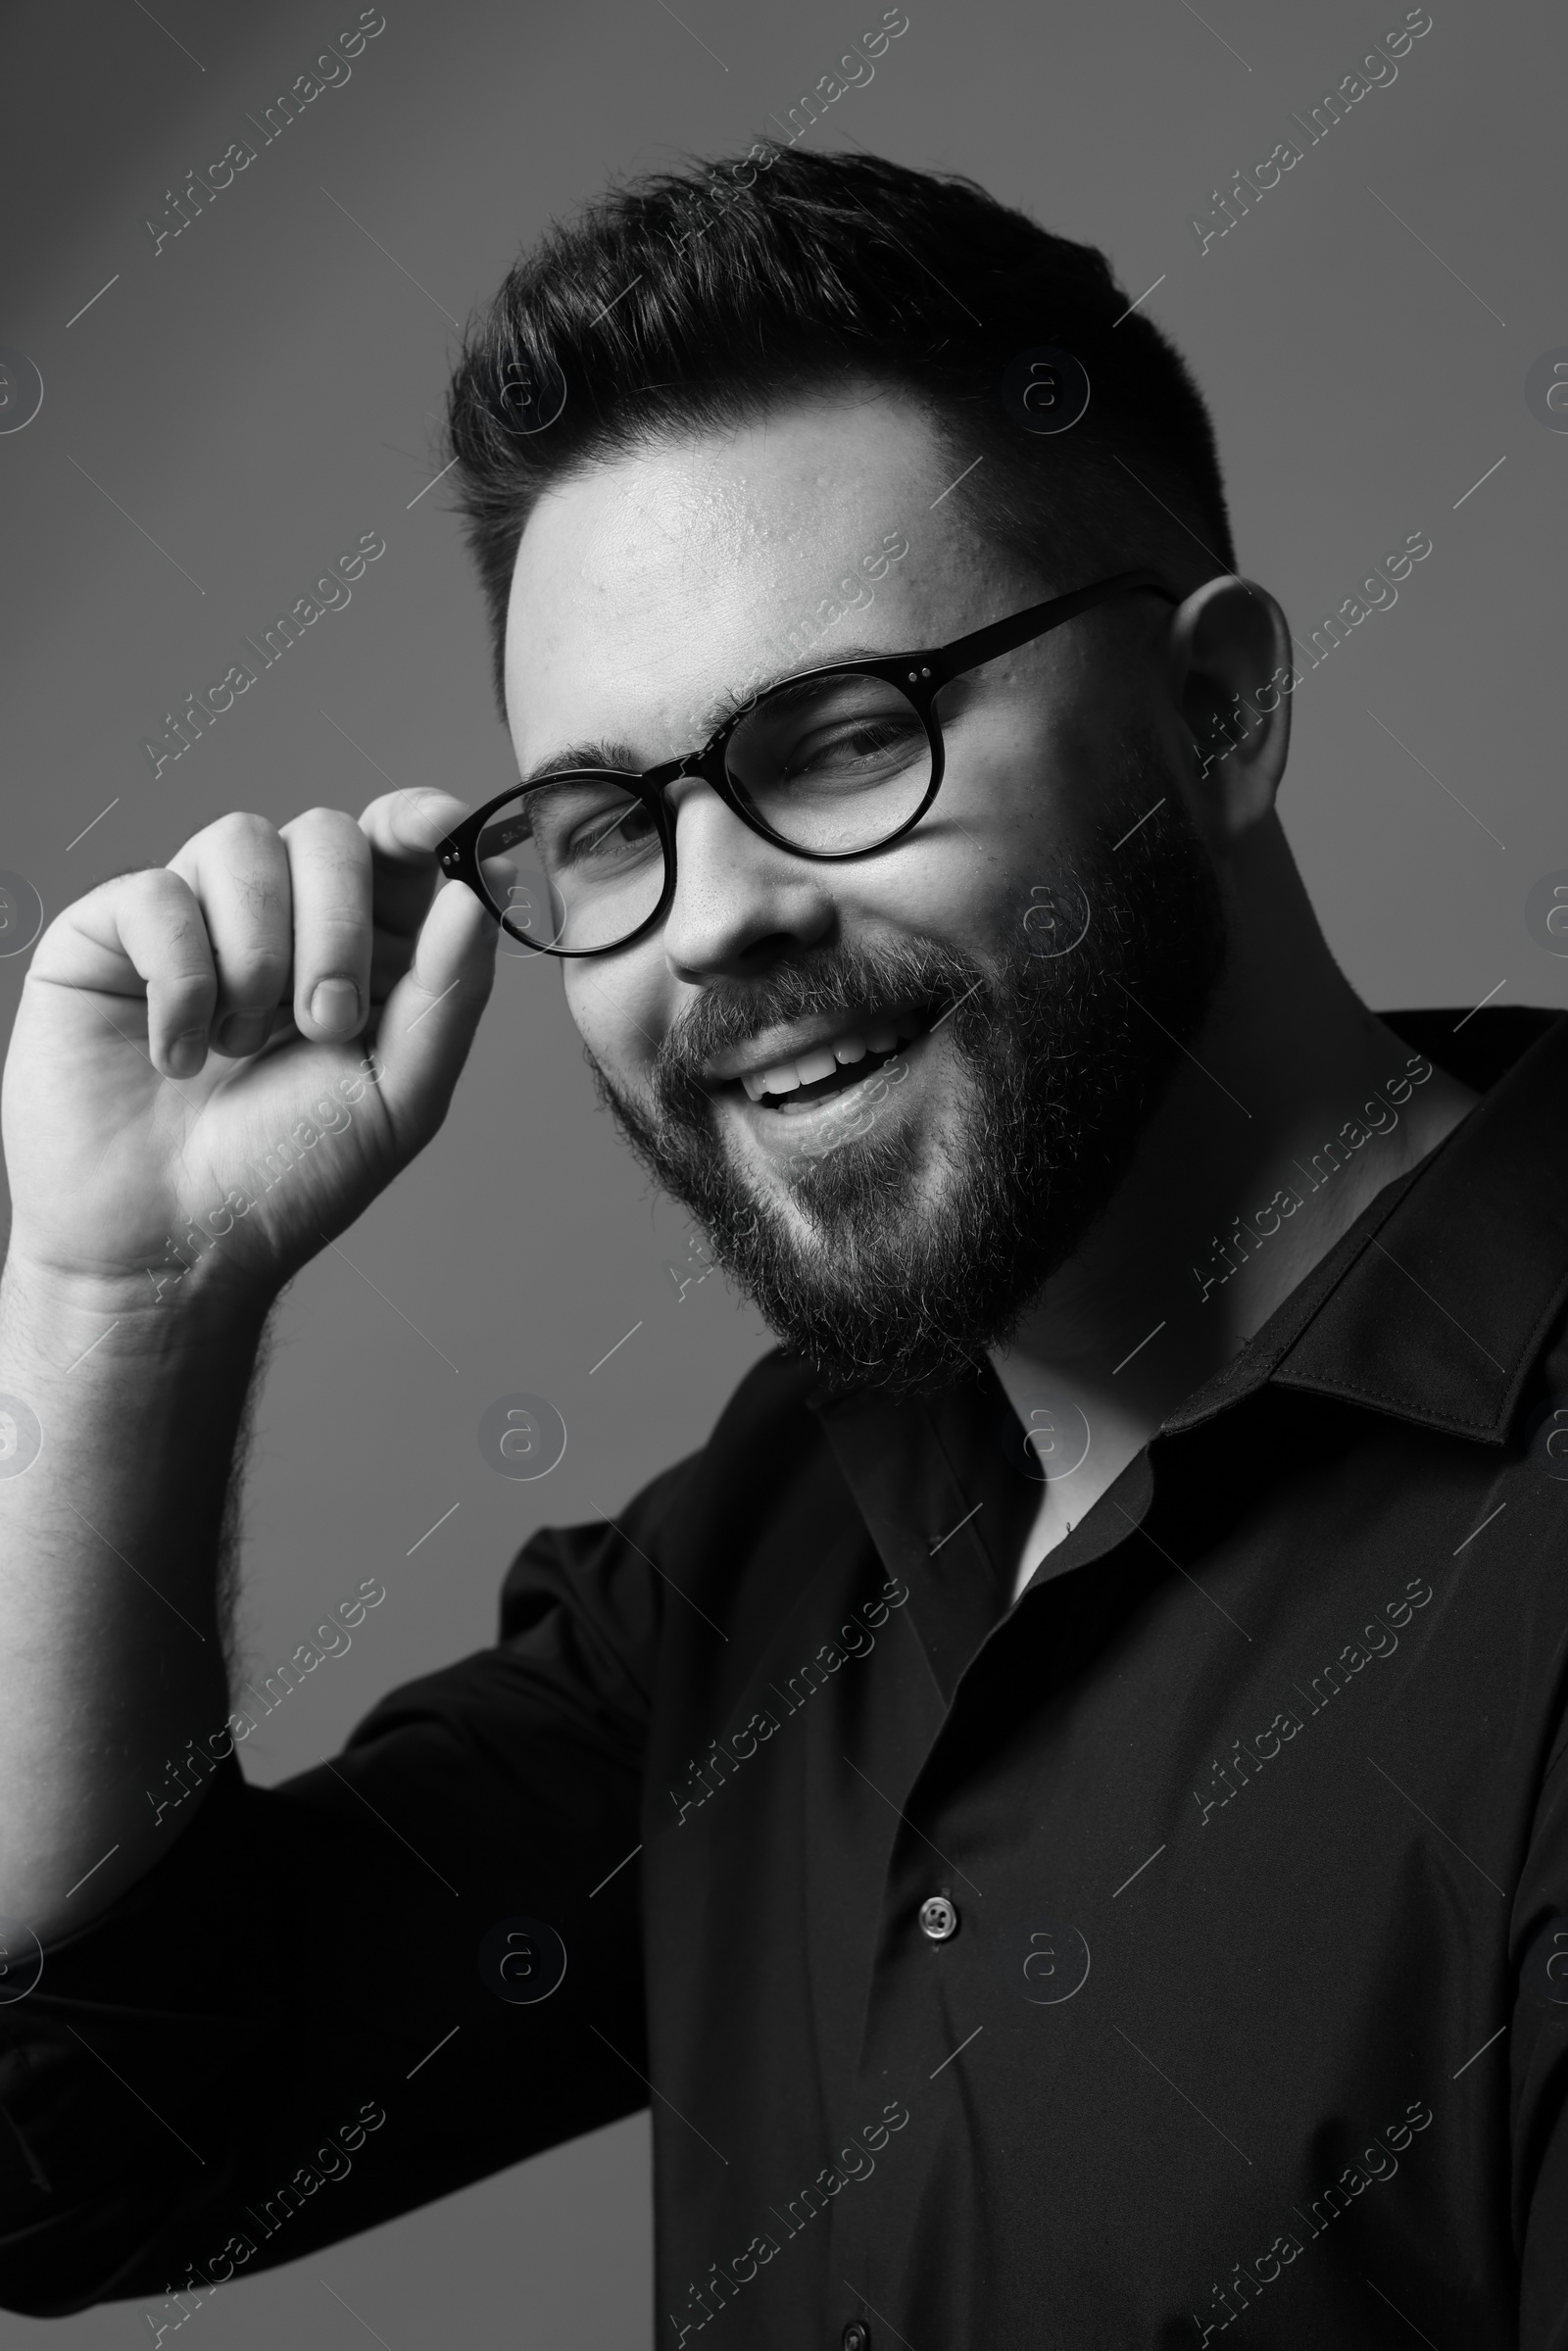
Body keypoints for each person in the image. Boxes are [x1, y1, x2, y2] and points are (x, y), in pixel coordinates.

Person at [0, 143, 1562, 2349]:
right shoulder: (780, 1549)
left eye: (842, 739)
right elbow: (84, 2162)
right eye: (611, 822)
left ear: (1215, 713)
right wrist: (121, 1310)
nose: (715, 919)